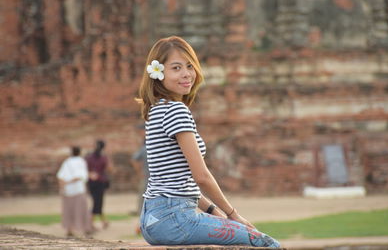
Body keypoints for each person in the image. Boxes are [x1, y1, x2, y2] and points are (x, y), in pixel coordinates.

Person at [135, 35, 281, 247]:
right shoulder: (176, 110)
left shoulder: (155, 110)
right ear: (158, 73)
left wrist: (215, 212)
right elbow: (201, 176)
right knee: (266, 244)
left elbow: (179, 181)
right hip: (175, 219)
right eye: (176, 68)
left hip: (153, 219)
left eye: (189, 66)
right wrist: (233, 215)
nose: (187, 74)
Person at [56, 146, 92, 237]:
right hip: (78, 189)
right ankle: (85, 229)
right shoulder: (81, 162)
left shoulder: (67, 162)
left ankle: (69, 229)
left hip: (68, 190)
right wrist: (69, 183)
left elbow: (60, 176)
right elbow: (81, 176)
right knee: (82, 209)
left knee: (69, 210)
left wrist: (63, 186)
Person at [85, 140, 113, 230]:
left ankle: (103, 221)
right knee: (98, 202)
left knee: (97, 201)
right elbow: (110, 168)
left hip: (92, 182)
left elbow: (85, 168)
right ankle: (90, 223)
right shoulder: (103, 158)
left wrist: (90, 174)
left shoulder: (89, 157)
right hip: (100, 182)